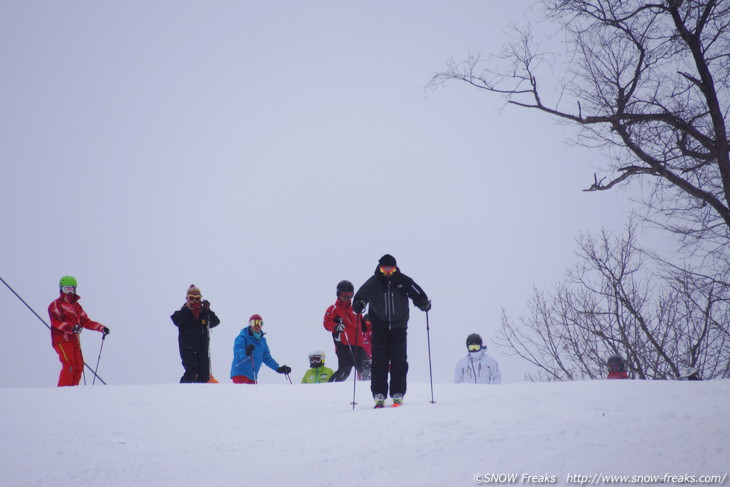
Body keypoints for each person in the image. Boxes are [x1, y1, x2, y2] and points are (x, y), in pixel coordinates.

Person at [352, 254, 431, 408]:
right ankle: (379, 393)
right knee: (379, 361)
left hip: (399, 327)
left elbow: (418, 293)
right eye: (384, 269)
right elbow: (361, 295)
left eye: (391, 269)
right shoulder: (374, 282)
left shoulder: (403, 281)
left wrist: (423, 303)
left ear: (395, 268)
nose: (388, 272)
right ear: (380, 268)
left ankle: (398, 392)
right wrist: (360, 304)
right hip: (379, 327)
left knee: (399, 361)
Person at [48, 275, 110, 387]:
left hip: (74, 340)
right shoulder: (56, 305)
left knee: (79, 365)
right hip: (62, 340)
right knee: (69, 364)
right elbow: (56, 322)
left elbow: (85, 321)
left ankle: (72, 390)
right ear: (61, 289)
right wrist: (71, 328)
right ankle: (63, 391)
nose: (69, 292)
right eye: (66, 289)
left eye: (71, 289)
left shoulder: (76, 306)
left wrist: (101, 328)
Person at [323, 280, 371, 382]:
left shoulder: (354, 310)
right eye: (344, 294)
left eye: (350, 295)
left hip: (358, 346)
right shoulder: (334, 309)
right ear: (338, 294)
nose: (347, 297)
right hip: (344, 345)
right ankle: (330, 388)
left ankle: (367, 390)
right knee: (345, 370)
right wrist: (336, 326)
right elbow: (326, 323)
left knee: (368, 368)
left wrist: (371, 323)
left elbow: (364, 325)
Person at [170, 284, 220, 383]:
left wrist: (208, 310)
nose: (195, 301)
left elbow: (215, 322)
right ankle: (181, 391)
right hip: (188, 348)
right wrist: (186, 309)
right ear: (187, 299)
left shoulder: (204, 314)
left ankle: (199, 396)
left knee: (204, 375)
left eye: (198, 298)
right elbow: (176, 320)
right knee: (192, 372)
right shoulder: (183, 313)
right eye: (192, 298)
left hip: (202, 348)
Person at [230, 314, 291, 384]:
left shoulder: (262, 341)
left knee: (253, 394)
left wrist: (278, 368)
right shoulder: (243, 337)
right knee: (244, 393)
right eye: (254, 323)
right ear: (250, 324)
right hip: (240, 372)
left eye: (259, 323)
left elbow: (267, 357)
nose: (257, 325)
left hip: (253, 376)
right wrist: (245, 351)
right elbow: (237, 350)